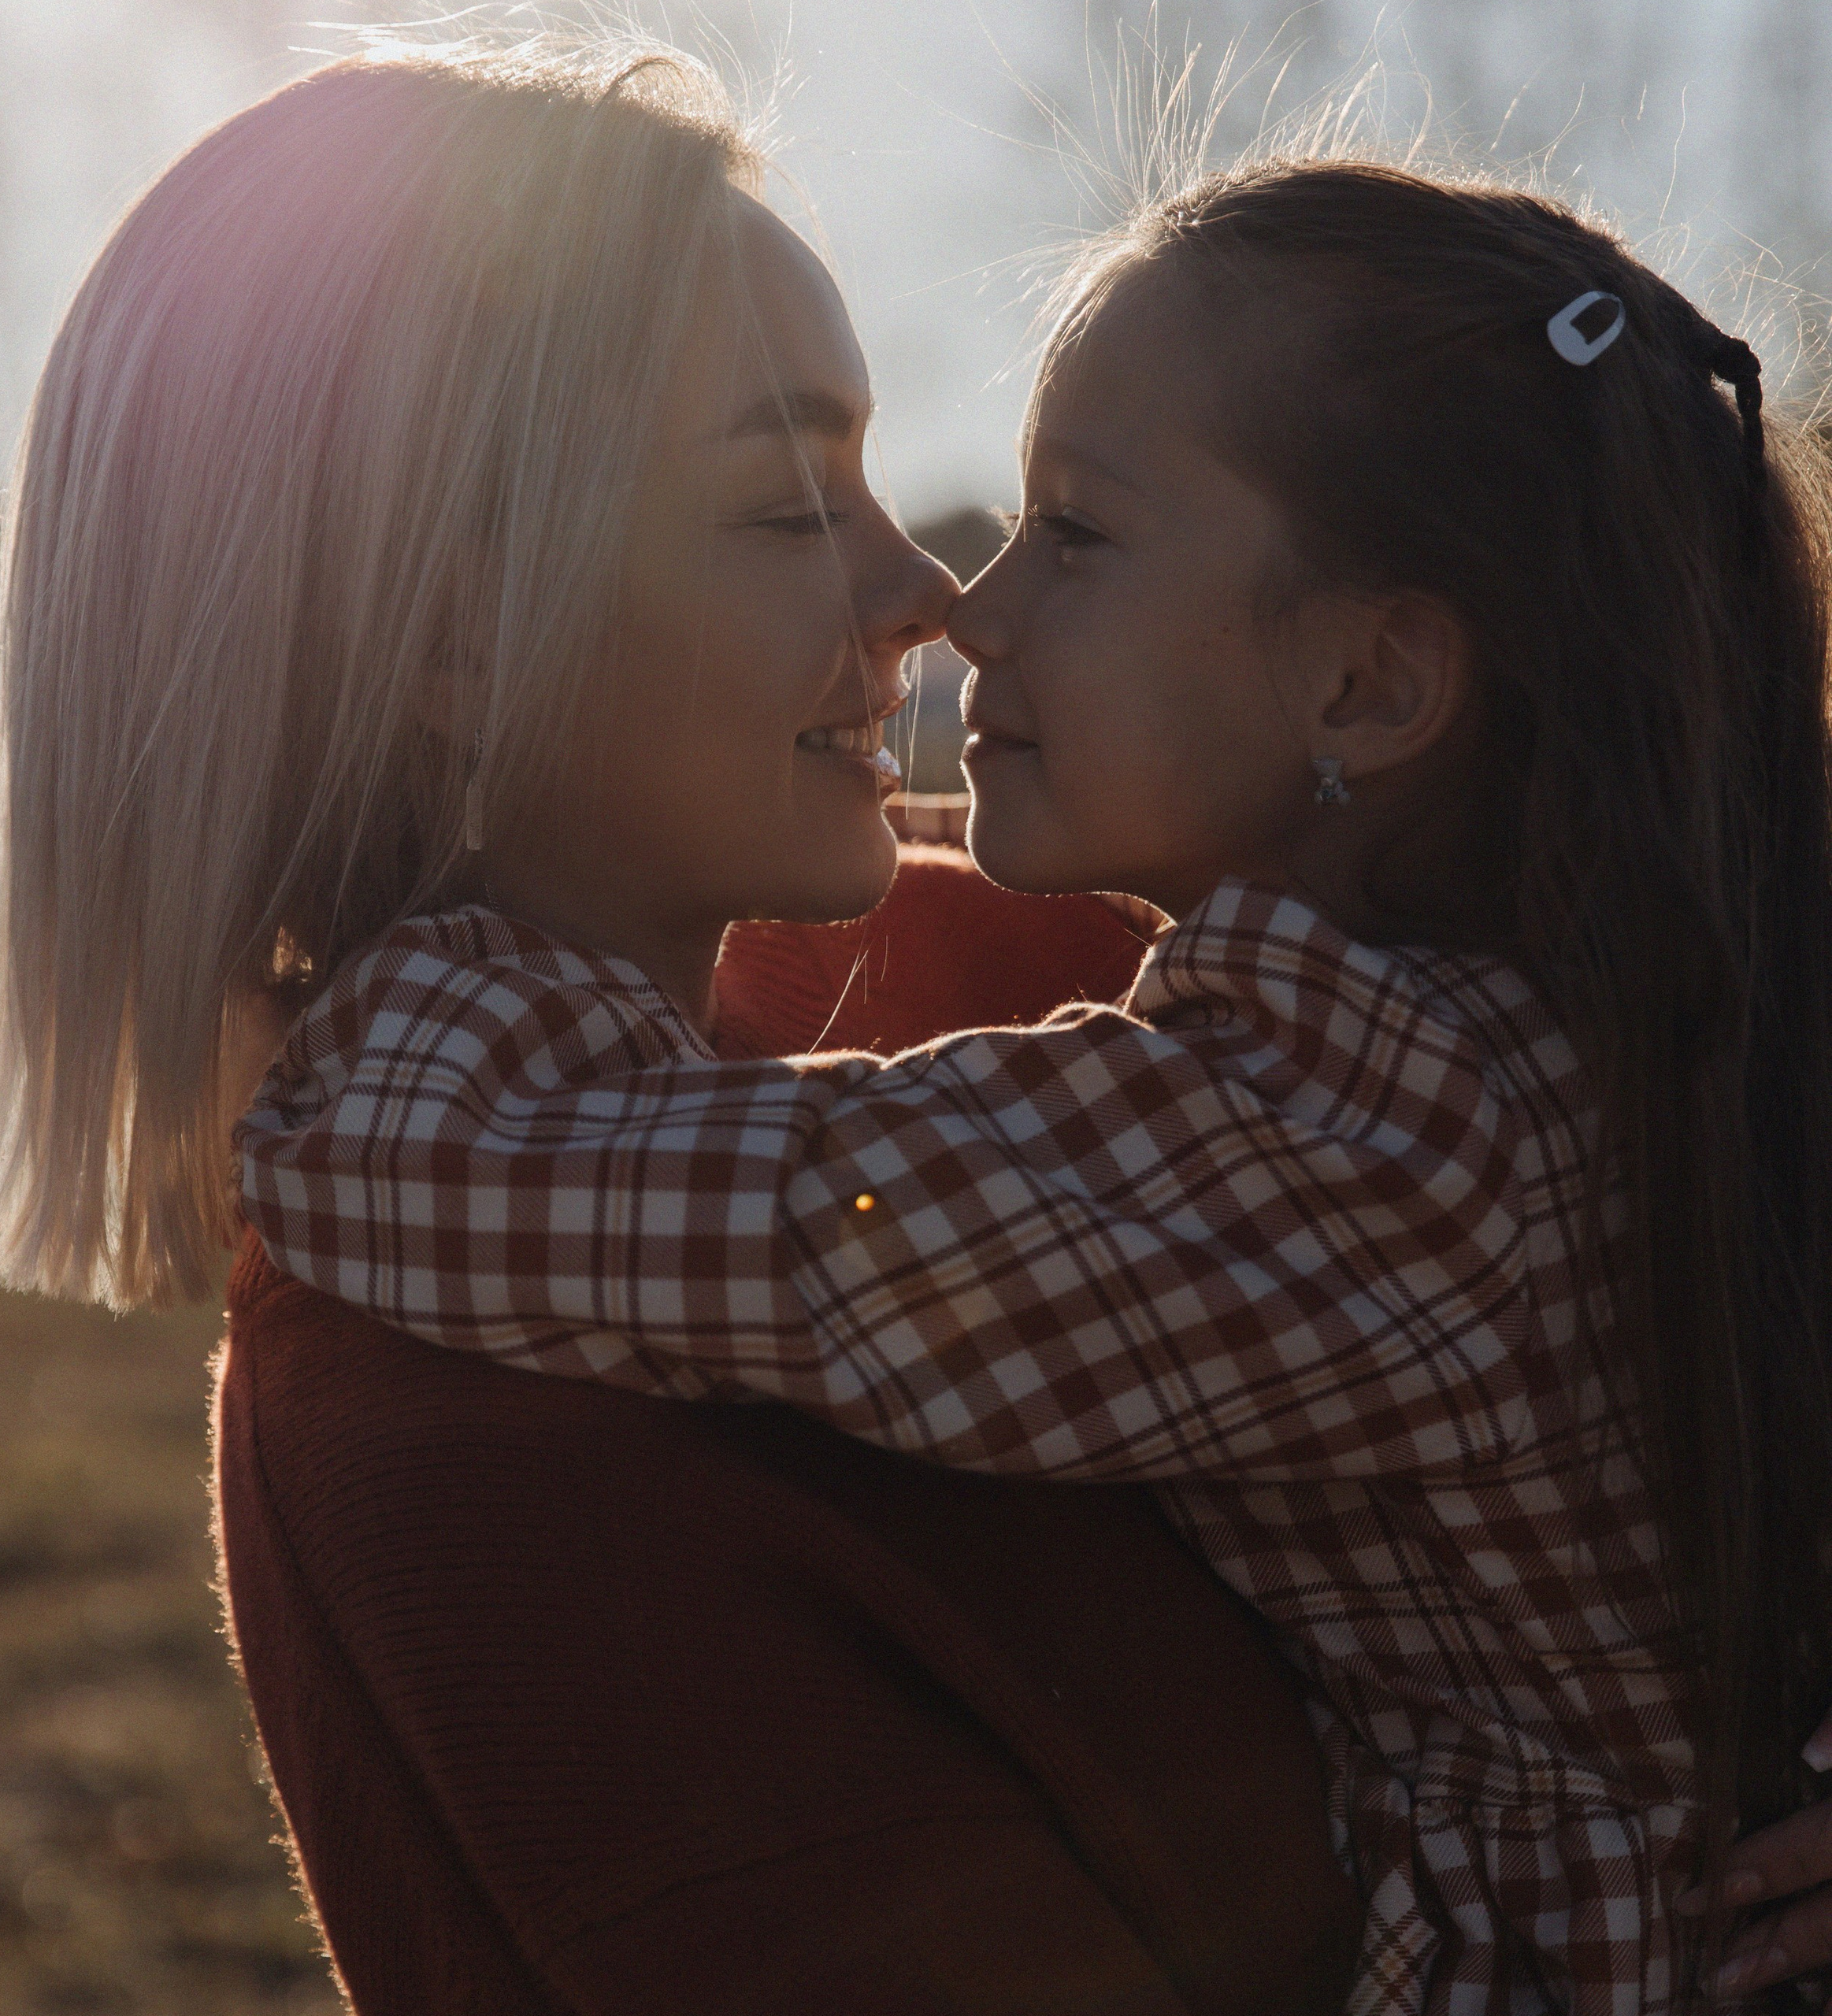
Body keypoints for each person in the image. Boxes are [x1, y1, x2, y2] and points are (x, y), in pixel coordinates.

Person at [239, 159, 1832, 2011]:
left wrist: (355, 1033)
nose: (962, 608)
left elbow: (794, 1228)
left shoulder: (1369, 1131)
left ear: (1370, 681)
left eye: (1072, 533)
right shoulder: (1581, 1024)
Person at [0, 34, 1362, 2016]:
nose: (923, 593)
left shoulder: (1040, 962)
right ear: (448, 628)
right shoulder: (456, 1449)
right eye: (784, 509)